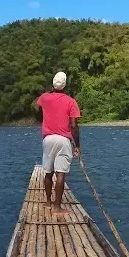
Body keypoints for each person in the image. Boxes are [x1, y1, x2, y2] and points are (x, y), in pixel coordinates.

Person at [36, 71, 81, 216]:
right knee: (60, 173)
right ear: (65, 85)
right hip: (63, 140)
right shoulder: (71, 101)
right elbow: (73, 125)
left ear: (53, 83)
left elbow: (40, 109)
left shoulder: (44, 97)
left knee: (48, 172)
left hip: (48, 139)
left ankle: (48, 203)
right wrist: (77, 145)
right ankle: (57, 207)